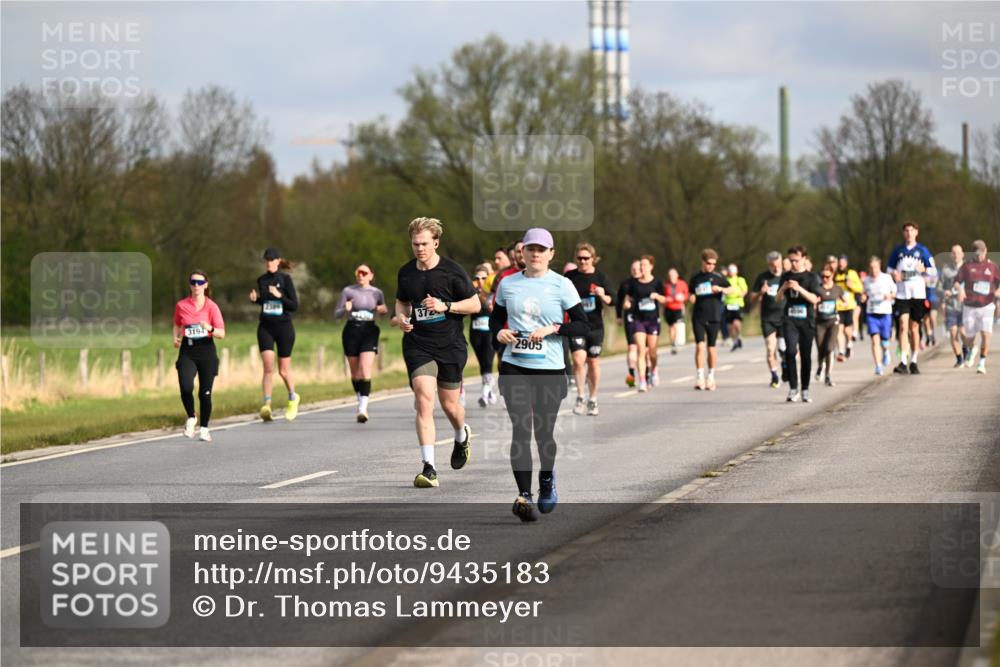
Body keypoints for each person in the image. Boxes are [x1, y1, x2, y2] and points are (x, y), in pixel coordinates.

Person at [490, 228, 589, 522]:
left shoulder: (562, 285)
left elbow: (583, 325)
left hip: (549, 368)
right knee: (521, 429)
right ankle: (524, 495)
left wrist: (554, 329)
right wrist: (500, 331)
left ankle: (546, 478)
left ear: (551, 254)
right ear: (523, 252)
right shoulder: (508, 284)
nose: (535, 254)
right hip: (514, 365)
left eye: (541, 249)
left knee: (543, 432)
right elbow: (495, 317)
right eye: (530, 248)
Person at [391, 217, 480, 488]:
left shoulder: (452, 271)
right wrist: (401, 319)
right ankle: (428, 468)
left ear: (436, 242)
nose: (419, 248)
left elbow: (475, 304)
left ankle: (461, 433)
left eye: (424, 243)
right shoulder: (406, 273)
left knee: (451, 406)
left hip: (451, 345)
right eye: (415, 244)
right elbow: (401, 303)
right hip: (418, 344)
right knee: (424, 399)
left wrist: (446, 306)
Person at [174, 270, 226, 442]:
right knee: (186, 386)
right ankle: (191, 417)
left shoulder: (212, 307)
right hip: (187, 351)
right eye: (193, 282)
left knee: (205, 394)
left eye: (200, 282)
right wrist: (176, 337)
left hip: (206, 351)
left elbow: (221, 333)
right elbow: (177, 324)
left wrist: (209, 328)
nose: (196, 285)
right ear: (190, 285)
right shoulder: (181, 305)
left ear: (205, 285)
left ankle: (204, 428)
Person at [564, 243, 614, 415]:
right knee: (578, 360)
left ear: (593, 258)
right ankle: (580, 396)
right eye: (579, 258)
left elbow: (612, 300)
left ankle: (593, 399)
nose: (583, 261)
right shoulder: (570, 277)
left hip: (595, 327)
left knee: (593, 362)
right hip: (577, 325)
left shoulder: (600, 277)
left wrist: (602, 295)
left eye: (586, 258)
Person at [250, 248, 300, 422]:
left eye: (272, 260)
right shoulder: (261, 280)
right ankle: (267, 406)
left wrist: (280, 296)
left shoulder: (286, 279)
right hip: (265, 327)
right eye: (267, 260)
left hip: (284, 328)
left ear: (278, 261)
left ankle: (293, 398)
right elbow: (265, 301)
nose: (269, 262)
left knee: (283, 371)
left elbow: (294, 305)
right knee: (268, 367)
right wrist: (256, 299)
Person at [335, 264, 388, 423]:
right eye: (358, 272)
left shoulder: (377, 292)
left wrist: (382, 310)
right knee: (355, 373)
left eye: (364, 273)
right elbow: (337, 314)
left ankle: (363, 408)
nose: (360, 275)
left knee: (365, 370)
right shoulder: (348, 291)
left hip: (369, 331)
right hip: (352, 330)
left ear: (371, 275)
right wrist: (345, 308)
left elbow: (384, 309)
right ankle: (360, 398)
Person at [887, 221, 936, 375]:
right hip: (902, 294)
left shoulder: (923, 251)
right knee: (902, 325)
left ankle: (914, 360)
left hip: (918, 295)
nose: (909, 233)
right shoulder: (898, 251)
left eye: (911, 230)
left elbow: (933, 272)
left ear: (916, 232)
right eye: (906, 231)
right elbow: (889, 270)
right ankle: (902, 361)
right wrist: (893, 275)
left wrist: (925, 270)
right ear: (903, 233)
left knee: (914, 328)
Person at [776, 246, 822, 403]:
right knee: (789, 351)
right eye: (791, 260)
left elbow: (815, 299)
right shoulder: (786, 276)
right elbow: (778, 299)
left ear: (803, 259)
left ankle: (805, 389)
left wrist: (798, 288)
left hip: (807, 320)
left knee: (806, 355)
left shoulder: (812, 277)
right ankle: (793, 388)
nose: (793, 263)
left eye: (796, 260)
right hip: (790, 320)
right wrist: (783, 288)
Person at [688, 249, 734, 391]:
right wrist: (691, 297)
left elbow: (731, 289)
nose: (711, 266)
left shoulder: (718, 277)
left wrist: (720, 289)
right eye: (708, 263)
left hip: (714, 316)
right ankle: (700, 377)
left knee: (711, 347)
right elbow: (690, 293)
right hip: (699, 316)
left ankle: (711, 377)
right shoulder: (695, 277)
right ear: (703, 262)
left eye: (713, 264)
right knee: (699, 346)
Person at [622, 255, 666, 392]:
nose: (642, 267)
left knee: (652, 352)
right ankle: (642, 381)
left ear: (651, 266)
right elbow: (627, 299)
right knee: (641, 349)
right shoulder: (634, 284)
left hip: (653, 320)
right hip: (638, 320)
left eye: (645, 264)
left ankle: (654, 370)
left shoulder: (657, 283)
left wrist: (657, 296)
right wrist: (627, 303)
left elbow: (665, 299)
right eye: (641, 264)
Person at [956, 240, 1000, 374]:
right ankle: (972, 348)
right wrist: (960, 290)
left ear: (986, 251)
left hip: (987, 306)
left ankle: (982, 362)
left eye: (982, 252)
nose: (979, 255)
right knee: (968, 335)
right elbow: (957, 282)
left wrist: (998, 291)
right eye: (977, 253)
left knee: (986, 334)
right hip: (970, 306)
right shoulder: (967, 266)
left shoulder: (992, 267)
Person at [752, 251, 785, 388]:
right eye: (773, 266)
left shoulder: (786, 276)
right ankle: (774, 376)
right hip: (768, 318)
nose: (776, 268)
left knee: (784, 349)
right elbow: (752, 298)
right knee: (771, 348)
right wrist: (761, 292)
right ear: (768, 265)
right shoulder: (762, 278)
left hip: (784, 317)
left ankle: (786, 365)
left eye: (778, 265)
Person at [861, 256, 897, 376]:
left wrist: (890, 296)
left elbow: (895, 291)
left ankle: (886, 351)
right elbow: (864, 293)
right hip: (872, 313)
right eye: (871, 268)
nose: (873, 270)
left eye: (875, 267)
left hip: (885, 312)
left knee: (885, 339)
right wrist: (863, 297)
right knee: (874, 340)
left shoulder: (886, 278)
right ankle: (878, 366)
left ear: (879, 267)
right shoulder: (866, 280)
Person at [469, 263, 498, 407]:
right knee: (482, 364)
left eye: (483, 278)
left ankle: (484, 395)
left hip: (489, 332)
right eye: (477, 278)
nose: (480, 281)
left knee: (488, 361)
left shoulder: (491, 294)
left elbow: (494, 309)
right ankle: (488, 390)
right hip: (475, 331)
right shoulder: (470, 292)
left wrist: (482, 295)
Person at [815, 268, 846, 387]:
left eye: (827, 276)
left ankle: (828, 375)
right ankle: (820, 366)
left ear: (832, 276)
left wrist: (841, 303)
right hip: (819, 322)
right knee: (820, 348)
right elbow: (812, 302)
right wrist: (815, 302)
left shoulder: (837, 289)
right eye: (822, 276)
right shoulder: (817, 289)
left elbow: (845, 302)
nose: (824, 279)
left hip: (833, 322)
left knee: (829, 348)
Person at [938, 245, 967, 367]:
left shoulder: (969, 269)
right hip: (951, 306)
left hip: (966, 306)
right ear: (951, 254)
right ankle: (959, 358)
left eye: (958, 252)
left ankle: (966, 351)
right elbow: (938, 287)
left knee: (963, 332)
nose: (956, 255)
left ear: (963, 254)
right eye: (954, 253)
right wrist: (944, 292)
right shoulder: (946, 270)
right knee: (953, 333)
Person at [616, 260, 642, 387]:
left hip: (645, 319)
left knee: (644, 350)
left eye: (638, 268)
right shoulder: (625, 284)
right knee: (632, 347)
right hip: (630, 318)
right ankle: (631, 376)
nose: (636, 270)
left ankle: (646, 375)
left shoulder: (646, 282)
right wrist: (618, 316)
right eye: (633, 268)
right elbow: (619, 300)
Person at [833, 256, 863, 361]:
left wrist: (850, 286)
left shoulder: (851, 273)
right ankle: (841, 351)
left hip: (849, 305)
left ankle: (849, 345)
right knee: (839, 329)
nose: (841, 265)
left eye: (843, 263)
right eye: (839, 263)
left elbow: (860, 288)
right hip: (838, 306)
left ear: (846, 263)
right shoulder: (834, 274)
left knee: (847, 330)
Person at [662, 268, 688, 355]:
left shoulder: (682, 284)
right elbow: (662, 297)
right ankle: (673, 342)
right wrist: (666, 299)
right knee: (671, 326)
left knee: (676, 324)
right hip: (668, 308)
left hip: (678, 307)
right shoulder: (666, 285)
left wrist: (683, 298)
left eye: (673, 275)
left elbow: (687, 294)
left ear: (677, 275)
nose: (671, 277)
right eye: (670, 275)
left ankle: (676, 342)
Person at [723, 263, 749, 351]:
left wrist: (740, 294)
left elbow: (745, 290)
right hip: (728, 305)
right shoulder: (725, 280)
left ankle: (739, 336)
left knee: (736, 323)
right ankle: (735, 341)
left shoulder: (740, 280)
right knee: (730, 326)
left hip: (738, 304)